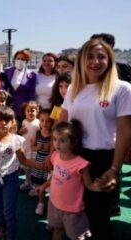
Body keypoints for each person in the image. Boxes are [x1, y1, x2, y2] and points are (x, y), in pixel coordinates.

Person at [59, 39, 131, 239]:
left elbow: (125, 131)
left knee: (99, 217)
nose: (95, 61)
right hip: (75, 156)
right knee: (76, 210)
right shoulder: (73, 88)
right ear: (81, 60)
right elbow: (63, 122)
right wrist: (56, 156)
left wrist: (115, 168)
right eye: (90, 56)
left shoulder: (122, 89)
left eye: (101, 56)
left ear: (110, 60)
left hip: (104, 160)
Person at [0, 106, 43, 240]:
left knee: (8, 212)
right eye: (0, 119)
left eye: (7, 120)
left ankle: (10, 236)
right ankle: (1, 231)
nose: (3, 123)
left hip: (11, 180)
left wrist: (41, 165)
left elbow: (23, 160)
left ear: (12, 122)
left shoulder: (16, 139)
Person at [36, 120, 103, 240]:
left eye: (62, 140)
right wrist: (44, 185)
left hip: (72, 211)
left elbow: (89, 185)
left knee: (76, 237)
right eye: (55, 139)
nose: (57, 144)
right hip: (54, 204)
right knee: (56, 230)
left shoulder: (82, 164)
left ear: (74, 142)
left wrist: (100, 187)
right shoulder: (55, 156)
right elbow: (55, 175)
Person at [0, 49, 37, 121]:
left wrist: (30, 109)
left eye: (23, 59)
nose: (20, 60)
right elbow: (3, 87)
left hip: (24, 109)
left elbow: (32, 93)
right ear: (14, 59)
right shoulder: (7, 71)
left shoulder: (32, 75)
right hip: (9, 107)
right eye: (18, 58)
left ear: (27, 61)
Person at [29, 109, 53, 215]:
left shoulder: (53, 135)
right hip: (39, 162)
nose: (45, 123)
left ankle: (50, 204)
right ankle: (41, 203)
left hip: (49, 164)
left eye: (48, 121)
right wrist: (37, 147)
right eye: (42, 120)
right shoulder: (38, 133)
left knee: (49, 184)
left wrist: (49, 150)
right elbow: (32, 147)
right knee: (40, 183)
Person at [18, 101, 40, 191]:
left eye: (33, 110)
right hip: (25, 147)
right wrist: (20, 131)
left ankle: (35, 185)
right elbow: (20, 133)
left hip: (34, 148)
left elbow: (41, 134)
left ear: (37, 112)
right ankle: (28, 182)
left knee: (35, 167)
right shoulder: (23, 121)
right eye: (28, 110)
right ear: (24, 112)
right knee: (26, 167)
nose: (30, 112)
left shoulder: (38, 122)